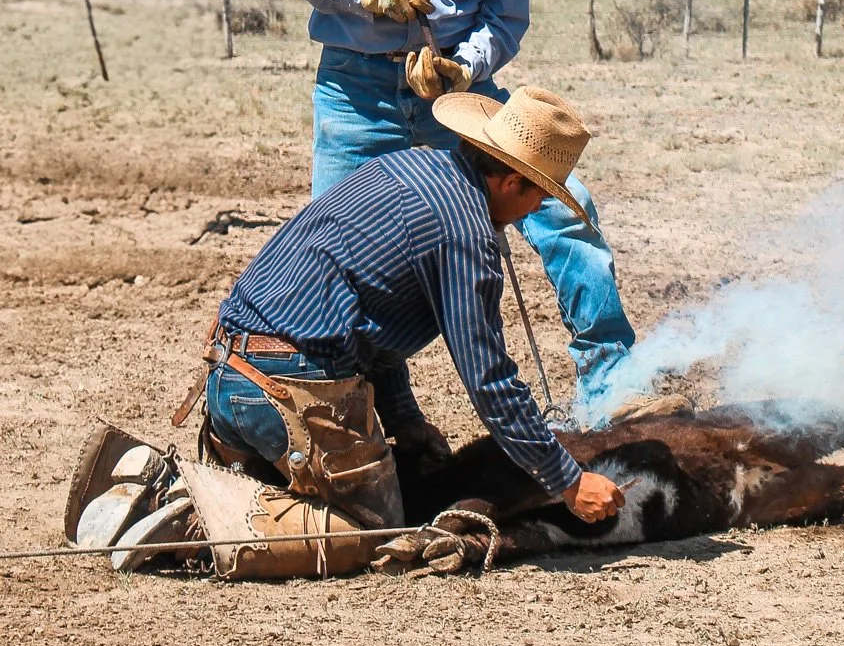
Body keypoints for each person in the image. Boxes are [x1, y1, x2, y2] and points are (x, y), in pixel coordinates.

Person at [269, 0, 634, 419]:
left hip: (459, 99)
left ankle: (612, 389)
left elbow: (506, 19)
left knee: (564, 209)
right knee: (332, 249)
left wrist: (462, 69)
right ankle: (367, 410)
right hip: (357, 93)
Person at [200, 87, 626, 528]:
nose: (534, 209)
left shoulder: (408, 165)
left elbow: (368, 320)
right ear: (512, 182)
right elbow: (489, 379)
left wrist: (405, 422)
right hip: (277, 390)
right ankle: (205, 514)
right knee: (384, 528)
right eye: (539, 196)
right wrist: (568, 482)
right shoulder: (465, 235)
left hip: (227, 371)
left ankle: (235, 466)